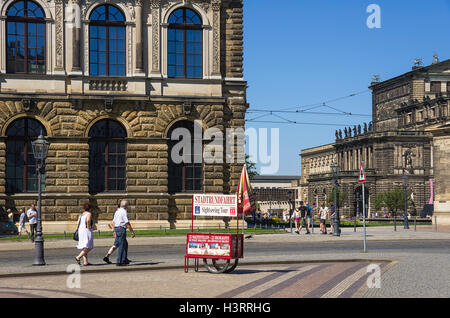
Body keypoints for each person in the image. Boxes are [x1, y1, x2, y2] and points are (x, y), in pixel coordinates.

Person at [112, 200, 135, 266]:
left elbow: (113, 222)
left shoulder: (117, 211)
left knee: (125, 244)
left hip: (117, 228)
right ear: (126, 206)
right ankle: (119, 261)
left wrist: (114, 231)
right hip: (121, 229)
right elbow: (127, 223)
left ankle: (124, 259)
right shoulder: (124, 212)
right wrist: (132, 232)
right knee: (121, 245)